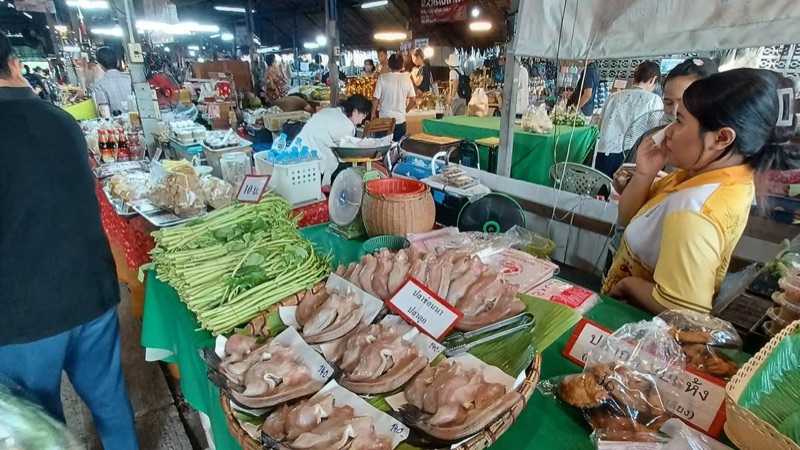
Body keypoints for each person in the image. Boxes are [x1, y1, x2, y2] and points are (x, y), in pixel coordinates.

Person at [0, 32, 138, 448]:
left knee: (41, 426)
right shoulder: (63, 121)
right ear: (15, 65)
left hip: (25, 315)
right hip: (91, 293)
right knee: (111, 402)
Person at [602, 68, 800, 315]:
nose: (668, 131)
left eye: (680, 121)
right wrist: (644, 175)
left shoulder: (694, 210)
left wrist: (626, 285)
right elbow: (629, 218)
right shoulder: (719, 178)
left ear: (722, 138)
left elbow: (683, 309)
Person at [620, 58, 719, 167]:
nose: (674, 111)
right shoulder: (649, 139)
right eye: (668, 103)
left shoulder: (720, 154)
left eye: (684, 103)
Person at [593, 61, 663, 178]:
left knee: (601, 191)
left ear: (634, 77)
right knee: (623, 193)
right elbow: (654, 134)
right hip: (631, 156)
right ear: (653, 79)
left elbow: (600, 125)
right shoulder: (654, 100)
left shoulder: (613, 96)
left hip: (604, 152)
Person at [293, 94, 371, 186]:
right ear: (354, 111)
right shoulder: (347, 125)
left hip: (297, 152)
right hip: (315, 161)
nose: (362, 120)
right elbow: (345, 153)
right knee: (350, 166)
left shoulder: (331, 111)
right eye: (363, 115)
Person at [372, 54, 417, 142]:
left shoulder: (382, 78)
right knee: (397, 150)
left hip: (384, 122)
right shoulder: (407, 78)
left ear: (389, 65)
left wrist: (373, 113)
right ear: (402, 65)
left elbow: (375, 99)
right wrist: (405, 111)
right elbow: (413, 100)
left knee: (382, 149)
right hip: (400, 121)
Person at [94, 46, 132, 116]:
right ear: (117, 62)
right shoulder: (130, 79)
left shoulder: (99, 85)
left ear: (100, 65)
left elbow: (105, 112)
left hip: (118, 124)